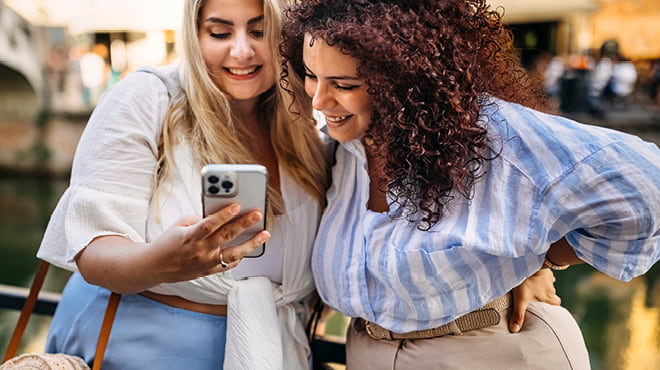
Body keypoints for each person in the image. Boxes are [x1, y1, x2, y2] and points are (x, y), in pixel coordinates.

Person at [280, 0, 660, 368]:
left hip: (497, 352)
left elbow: (649, 186)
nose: (318, 100)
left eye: (343, 84)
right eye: (311, 75)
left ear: (403, 78)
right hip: (365, 353)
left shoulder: (494, 135)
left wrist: (540, 258)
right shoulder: (345, 146)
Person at [36, 0, 330, 369]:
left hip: (279, 348)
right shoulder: (148, 97)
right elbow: (92, 250)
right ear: (194, 34)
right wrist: (162, 262)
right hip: (136, 350)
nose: (241, 50)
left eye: (260, 31)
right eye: (220, 33)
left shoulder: (308, 122)